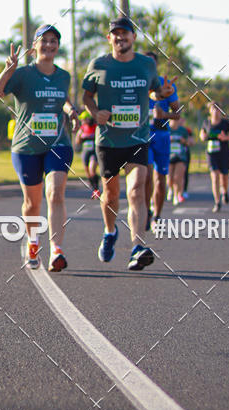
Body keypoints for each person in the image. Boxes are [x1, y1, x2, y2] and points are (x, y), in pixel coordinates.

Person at [82, 17, 174, 271]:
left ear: (134, 37)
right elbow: (87, 96)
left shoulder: (146, 64)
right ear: (109, 38)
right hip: (109, 141)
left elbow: (153, 90)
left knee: (135, 191)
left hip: (137, 138)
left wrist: (161, 94)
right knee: (111, 196)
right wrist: (94, 112)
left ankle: (138, 247)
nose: (121, 37)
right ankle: (110, 231)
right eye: (116, 34)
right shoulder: (99, 64)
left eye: (126, 33)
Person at [0, 24, 80, 272]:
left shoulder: (64, 76)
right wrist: (8, 71)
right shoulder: (23, 74)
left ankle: (56, 251)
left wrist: (72, 112)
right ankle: (33, 242)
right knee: (32, 203)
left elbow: (64, 99)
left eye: (53, 41)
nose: (49, 45)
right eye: (44, 40)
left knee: (55, 192)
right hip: (26, 146)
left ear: (58, 46)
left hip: (58, 143)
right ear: (34, 45)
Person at [144, 50, 180, 229]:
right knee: (147, 175)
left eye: (152, 63)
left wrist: (164, 114)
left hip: (162, 135)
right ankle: (146, 210)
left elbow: (178, 113)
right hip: (144, 135)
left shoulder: (165, 84)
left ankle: (157, 214)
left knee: (160, 178)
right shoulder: (137, 84)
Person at [199, 102, 229, 212]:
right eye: (213, 109)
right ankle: (217, 202)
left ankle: (224, 192)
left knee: (224, 177)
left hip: (224, 153)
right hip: (211, 154)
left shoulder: (226, 123)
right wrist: (203, 136)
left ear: (221, 111)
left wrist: (225, 137)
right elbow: (202, 134)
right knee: (215, 176)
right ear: (210, 111)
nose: (216, 111)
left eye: (218, 109)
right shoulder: (206, 122)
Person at [75, 111, 101, 197]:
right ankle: (93, 187)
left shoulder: (96, 127)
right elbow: (77, 141)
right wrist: (80, 137)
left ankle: (96, 190)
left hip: (94, 152)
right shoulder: (82, 128)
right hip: (85, 152)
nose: (83, 121)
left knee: (92, 169)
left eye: (85, 119)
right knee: (88, 173)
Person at [169, 117, 191, 204]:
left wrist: (184, 141)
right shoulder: (167, 129)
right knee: (169, 178)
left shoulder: (183, 130)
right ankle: (170, 188)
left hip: (180, 156)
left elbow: (189, 142)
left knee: (178, 177)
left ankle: (176, 195)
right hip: (169, 156)